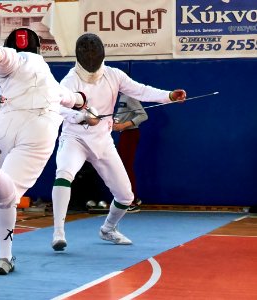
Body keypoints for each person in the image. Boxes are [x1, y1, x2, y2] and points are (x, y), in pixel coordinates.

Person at [0, 28, 86, 275]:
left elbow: (9, 59)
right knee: (9, 196)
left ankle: (4, 256)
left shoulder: (8, 70)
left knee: (3, 199)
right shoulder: (41, 68)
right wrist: (81, 104)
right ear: (38, 48)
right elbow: (66, 97)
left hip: (4, 127)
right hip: (37, 129)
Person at [51, 33, 186, 251]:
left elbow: (141, 90)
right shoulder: (69, 80)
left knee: (125, 195)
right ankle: (58, 232)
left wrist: (169, 95)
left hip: (103, 140)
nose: (92, 58)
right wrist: (83, 116)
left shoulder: (114, 75)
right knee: (64, 174)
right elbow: (60, 108)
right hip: (75, 138)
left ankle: (108, 229)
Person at [113, 95, 148, 213]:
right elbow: (121, 115)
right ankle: (133, 198)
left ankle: (131, 202)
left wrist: (123, 125)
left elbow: (143, 115)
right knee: (123, 166)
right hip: (125, 134)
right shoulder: (121, 97)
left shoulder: (129, 97)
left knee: (126, 167)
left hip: (130, 133)